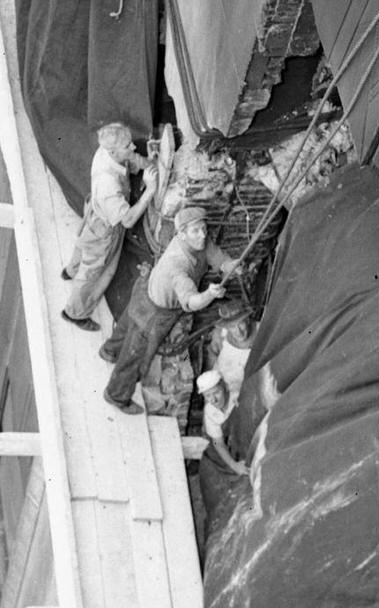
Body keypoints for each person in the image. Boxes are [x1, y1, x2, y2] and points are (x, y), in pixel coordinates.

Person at [104, 206, 234, 414]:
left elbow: (217, 257)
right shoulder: (178, 264)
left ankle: (109, 350)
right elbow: (192, 302)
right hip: (155, 314)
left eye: (203, 229)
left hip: (146, 290)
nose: (202, 234)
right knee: (136, 356)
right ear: (181, 234)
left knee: (126, 325)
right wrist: (210, 294)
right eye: (196, 231)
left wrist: (232, 265)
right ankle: (116, 395)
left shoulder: (199, 241)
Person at [61, 123, 153, 331]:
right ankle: (74, 313)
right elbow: (128, 220)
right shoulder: (108, 185)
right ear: (113, 150)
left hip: (94, 212)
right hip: (105, 230)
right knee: (94, 272)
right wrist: (150, 191)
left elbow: (129, 159)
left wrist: (149, 162)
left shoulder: (106, 153)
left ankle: (70, 270)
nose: (133, 148)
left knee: (83, 247)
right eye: (127, 145)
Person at [196, 369, 248, 476]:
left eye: (216, 393)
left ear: (225, 387)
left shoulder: (239, 396)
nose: (213, 400)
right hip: (233, 441)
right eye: (208, 396)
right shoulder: (210, 411)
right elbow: (217, 442)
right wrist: (234, 465)